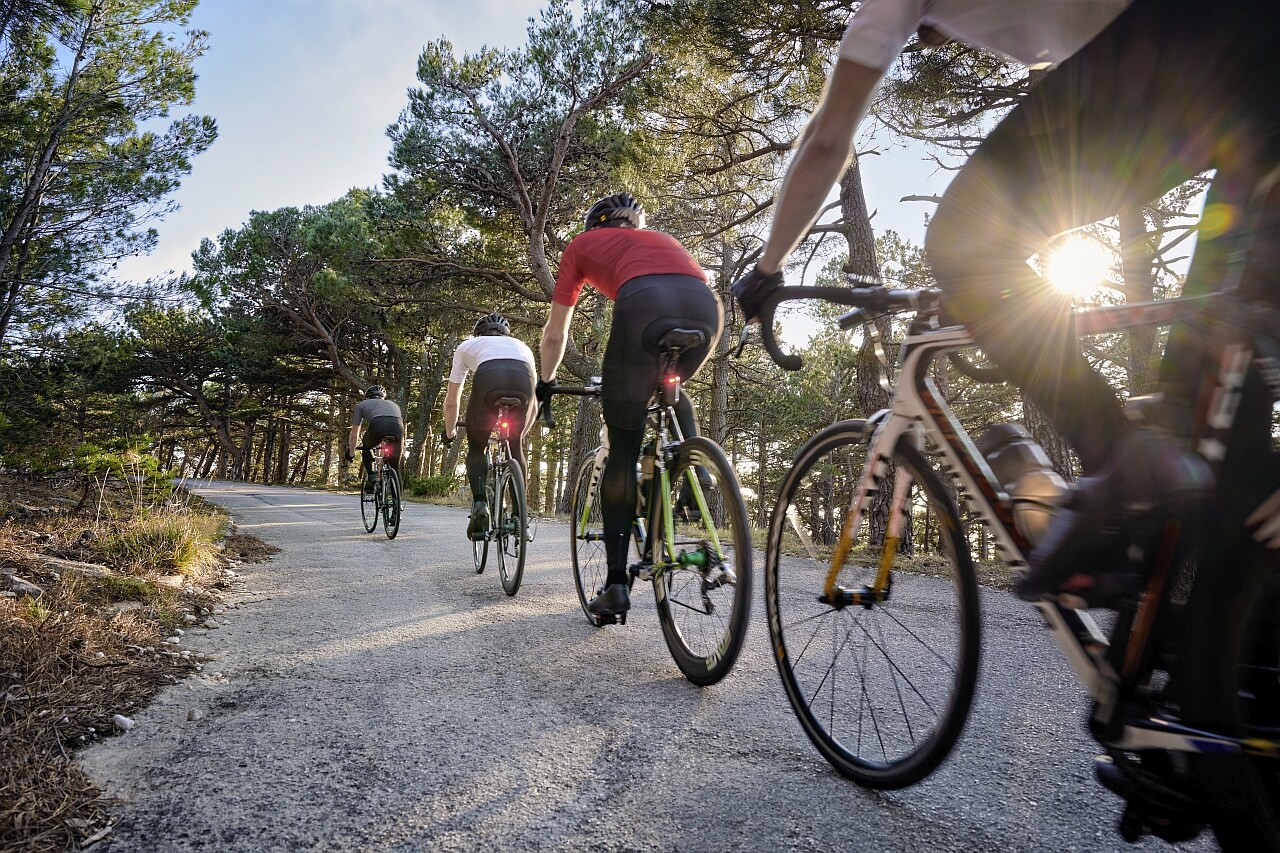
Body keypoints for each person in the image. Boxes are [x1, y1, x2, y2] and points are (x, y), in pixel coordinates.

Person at [731, 0, 1278, 607]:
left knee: (965, 236)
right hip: (1248, 87)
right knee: (1210, 423)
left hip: (1198, 44)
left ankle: (1123, 470)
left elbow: (827, 138)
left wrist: (767, 269)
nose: (928, 46)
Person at [539, 192, 724, 619]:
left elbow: (555, 333)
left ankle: (616, 584)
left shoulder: (582, 245)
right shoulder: (663, 240)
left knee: (623, 446)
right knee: (668, 388)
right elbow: (694, 284)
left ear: (595, 224)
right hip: (705, 307)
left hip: (643, 303)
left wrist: (546, 382)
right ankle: (696, 468)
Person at [442, 312, 538, 540]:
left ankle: (480, 504)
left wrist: (450, 432)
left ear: (478, 333)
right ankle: (520, 517)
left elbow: (452, 400)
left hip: (488, 378)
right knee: (516, 447)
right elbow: (535, 403)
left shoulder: (467, 346)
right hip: (523, 379)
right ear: (506, 334)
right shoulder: (522, 346)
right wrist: (520, 434)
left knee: (477, 446)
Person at [346, 385, 404, 491]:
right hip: (398, 427)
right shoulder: (393, 404)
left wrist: (351, 453)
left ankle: (371, 476)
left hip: (378, 425)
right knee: (395, 467)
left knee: (367, 446)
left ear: (368, 397)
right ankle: (397, 496)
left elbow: (354, 434)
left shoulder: (361, 405)